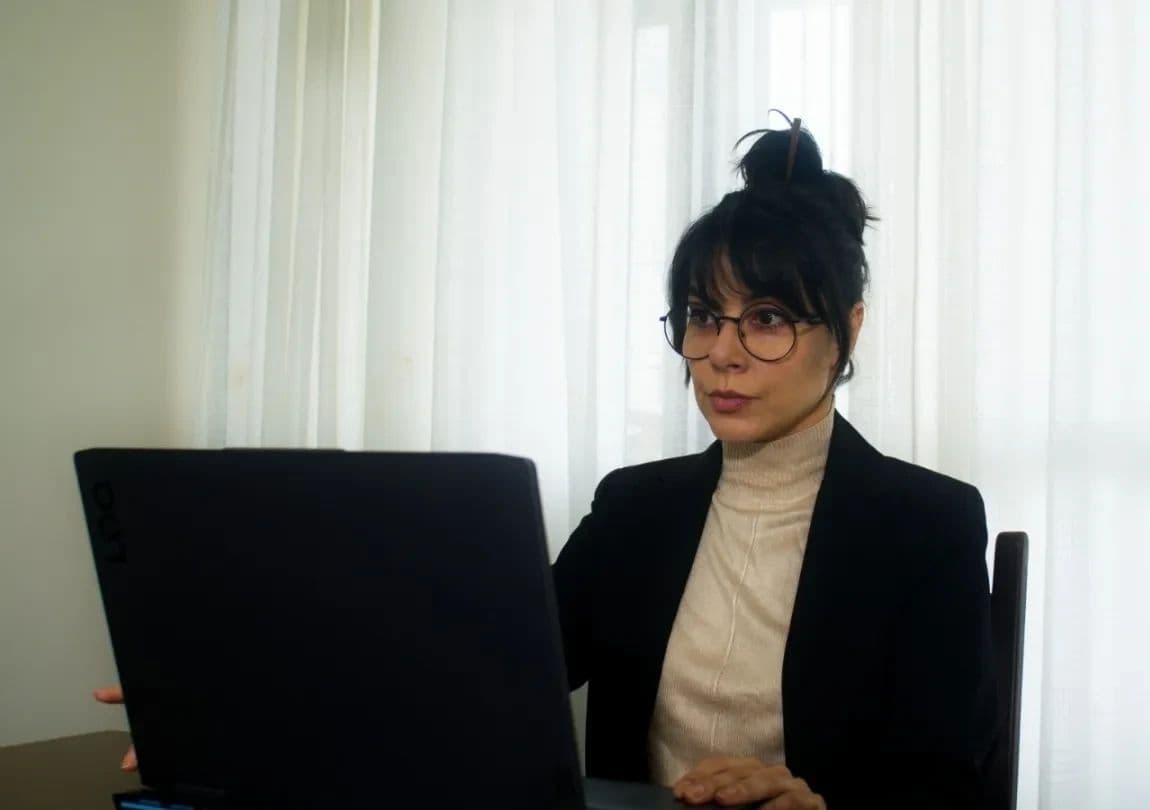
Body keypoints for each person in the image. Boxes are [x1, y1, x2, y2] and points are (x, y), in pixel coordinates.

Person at [95, 118, 999, 809]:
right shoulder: (638, 508)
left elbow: (947, 782)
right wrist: (231, 704)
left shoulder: (924, 523)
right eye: (700, 316)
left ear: (847, 330)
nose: (721, 354)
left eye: (766, 319)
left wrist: (815, 804)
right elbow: (474, 679)